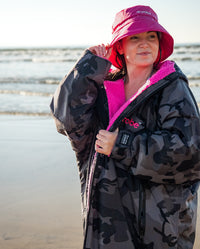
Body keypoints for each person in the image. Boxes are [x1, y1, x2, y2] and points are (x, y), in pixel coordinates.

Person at [50, 5, 200, 249]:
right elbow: (67, 122)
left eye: (151, 36)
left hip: (159, 231)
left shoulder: (173, 88)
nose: (145, 44)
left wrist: (123, 144)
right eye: (135, 37)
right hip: (107, 228)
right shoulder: (102, 90)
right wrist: (87, 66)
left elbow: (190, 154)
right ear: (119, 45)